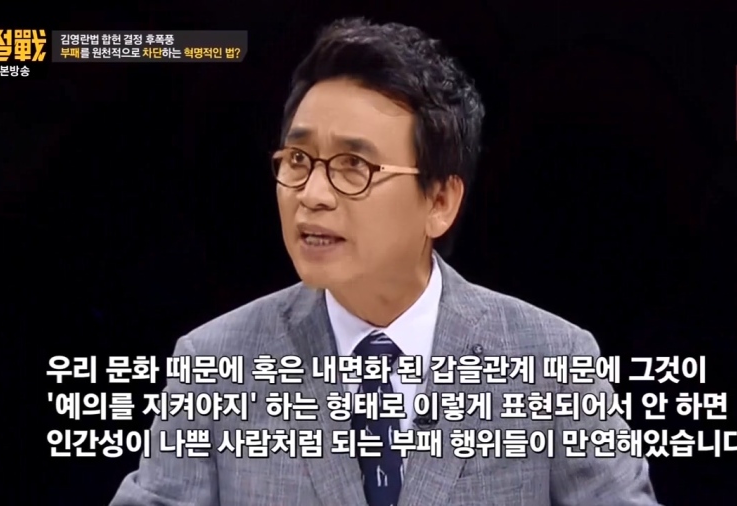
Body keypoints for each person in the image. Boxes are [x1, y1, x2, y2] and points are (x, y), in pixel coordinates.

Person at [111, 18, 660, 506]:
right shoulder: (214, 365)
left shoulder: (552, 363)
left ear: (439, 201)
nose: (312, 194)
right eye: (298, 159)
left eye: (354, 166)